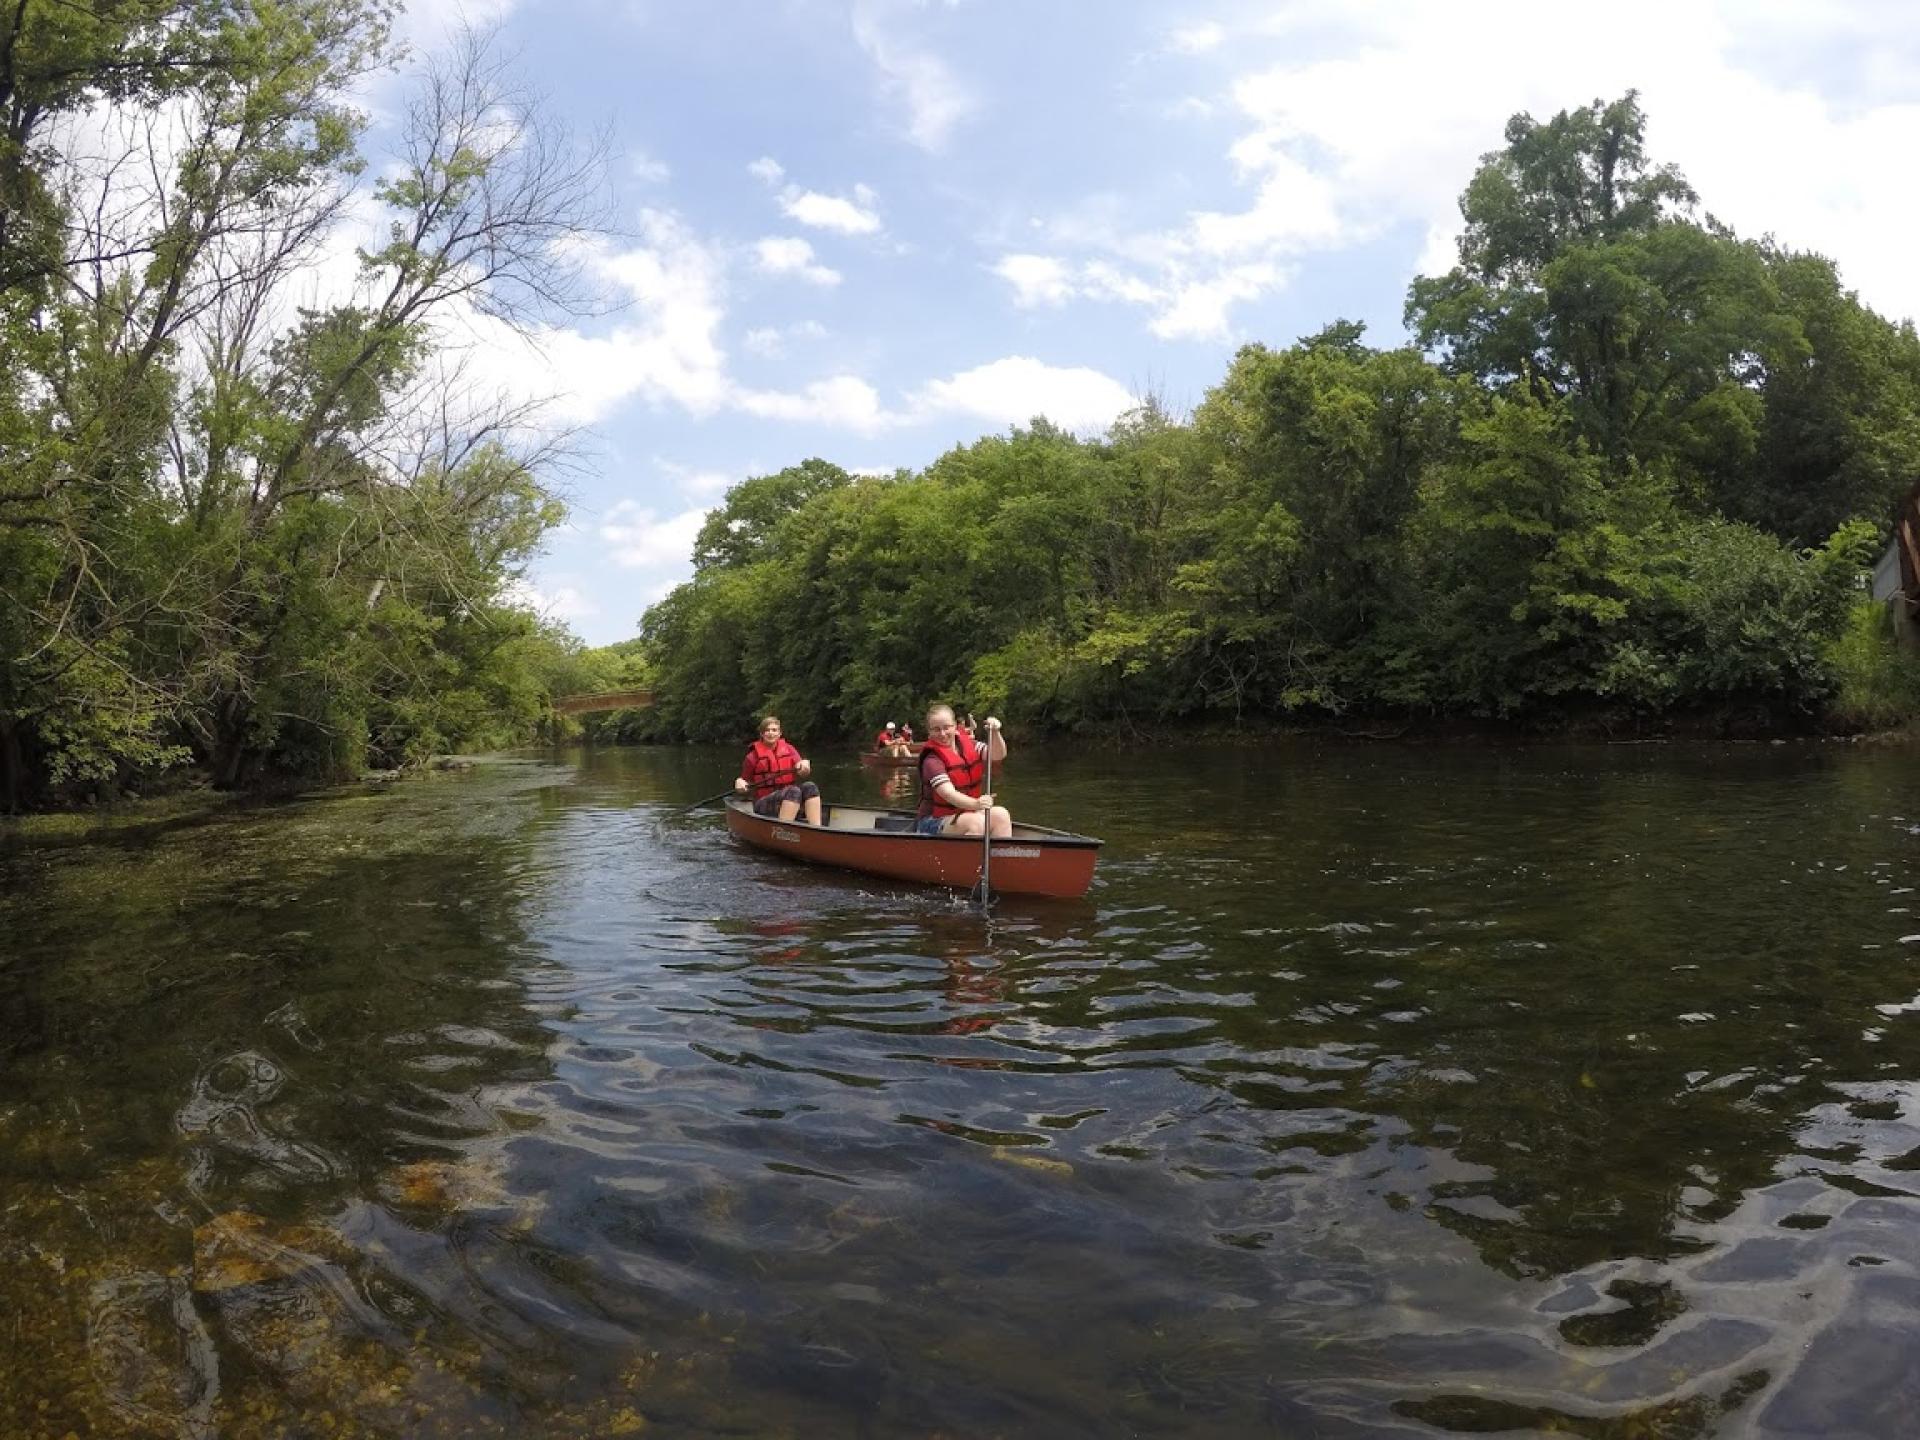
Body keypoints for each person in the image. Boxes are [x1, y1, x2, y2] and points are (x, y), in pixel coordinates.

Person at [916, 704, 1009, 838]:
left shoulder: (969, 745)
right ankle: (969, 858)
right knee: (974, 823)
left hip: (966, 812)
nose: (942, 734)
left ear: (954, 726)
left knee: (1001, 815)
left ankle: (1001, 858)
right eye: (936, 729)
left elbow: (997, 755)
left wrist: (995, 732)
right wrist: (976, 804)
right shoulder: (932, 760)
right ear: (929, 732)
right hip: (932, 821)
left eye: (946, 727)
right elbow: (948, 794)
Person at [735, 714, 823, 824]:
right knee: (793, 791)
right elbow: (744, 782)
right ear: (762, 734)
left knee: (810, 786)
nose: (771, 733)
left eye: (774, 730)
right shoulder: (752, 757)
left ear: (779, 733)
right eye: (767, 730)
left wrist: (804, 766)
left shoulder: (789, 749)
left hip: (791, 798)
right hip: (763, 804)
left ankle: (815, 828)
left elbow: (803, 772)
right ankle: (783, 831)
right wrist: (739, 783)